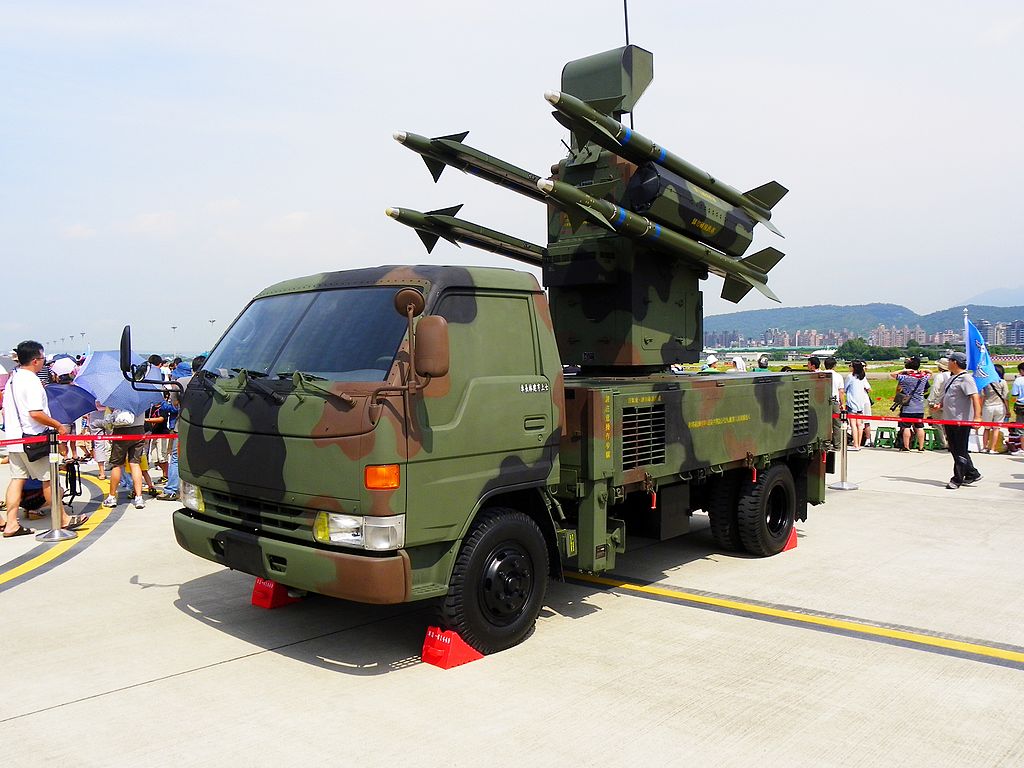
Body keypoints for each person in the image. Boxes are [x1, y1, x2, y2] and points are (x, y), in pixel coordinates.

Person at [2, 341, 88, 536]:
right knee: (49, 480)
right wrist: (57, 425)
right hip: (33, 439)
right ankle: (63, 518)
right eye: (42, 358)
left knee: (17, 480)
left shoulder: (13, 379)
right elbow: (35, 413)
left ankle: (11, 523)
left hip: (15, 439)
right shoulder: (31, 381)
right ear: (35, 360)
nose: (44, 362)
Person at [941, 352, 982, 489]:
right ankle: (972, 473)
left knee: (959, 450)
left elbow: (975, 397)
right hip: (950, 419)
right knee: (955, 449)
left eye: (949, 360)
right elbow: (951, 396)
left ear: (955, 362)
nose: (948, 363)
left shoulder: (966, 378)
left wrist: (977, 417)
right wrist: (940, 405)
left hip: (960, 421)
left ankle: (957, 479)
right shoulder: (952, 378)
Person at [102, 403, 149, 509]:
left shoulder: (120, 398)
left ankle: (112, 497)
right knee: (135, 464)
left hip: (122, 430)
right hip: (139, 430)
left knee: (116, 464)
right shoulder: (141, 396)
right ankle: (139, 498)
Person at [890, 355, 930, 451]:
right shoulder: (923, 378)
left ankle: (906, 446)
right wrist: (922, 370)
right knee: (919, 427)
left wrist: (903, 371)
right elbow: (930, 373)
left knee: (906, 426)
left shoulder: (905, 377)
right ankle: (921, 446)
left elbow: (893, 374)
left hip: (907, 406)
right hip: (919, 405)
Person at [980, 364, 1009, 454]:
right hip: (999, 406)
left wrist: (980, 409)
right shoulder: (1003, 382)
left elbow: (982, 396)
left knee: (986, 428)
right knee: (996, 428)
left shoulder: (986, 382)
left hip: (988, 406)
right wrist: (1008, 410)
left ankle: (984, 447)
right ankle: (993, 448)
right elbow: (1005, 397)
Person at [843, 360, 871, 449]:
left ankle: (855, 444)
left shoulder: (850, 377)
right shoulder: (862, 377)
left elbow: (845, 389)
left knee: (853, 425)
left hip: (852, 403)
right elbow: (868, 388)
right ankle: (859, 443)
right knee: (859, 424)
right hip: (860, 403)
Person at [925, 357, 951, 449]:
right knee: (948, 424)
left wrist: (931, 402)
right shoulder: (952, 375)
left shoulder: (939, 376)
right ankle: (950, 442)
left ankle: (942, 443)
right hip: (949, 404)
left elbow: (935, 390)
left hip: (938, 403)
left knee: (937, 424)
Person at [1008, 362, 1024, 455]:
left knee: (1021, 429)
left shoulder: (1018, 380)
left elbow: (1014, 394)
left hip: (1021, 406)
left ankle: (1022, 447)